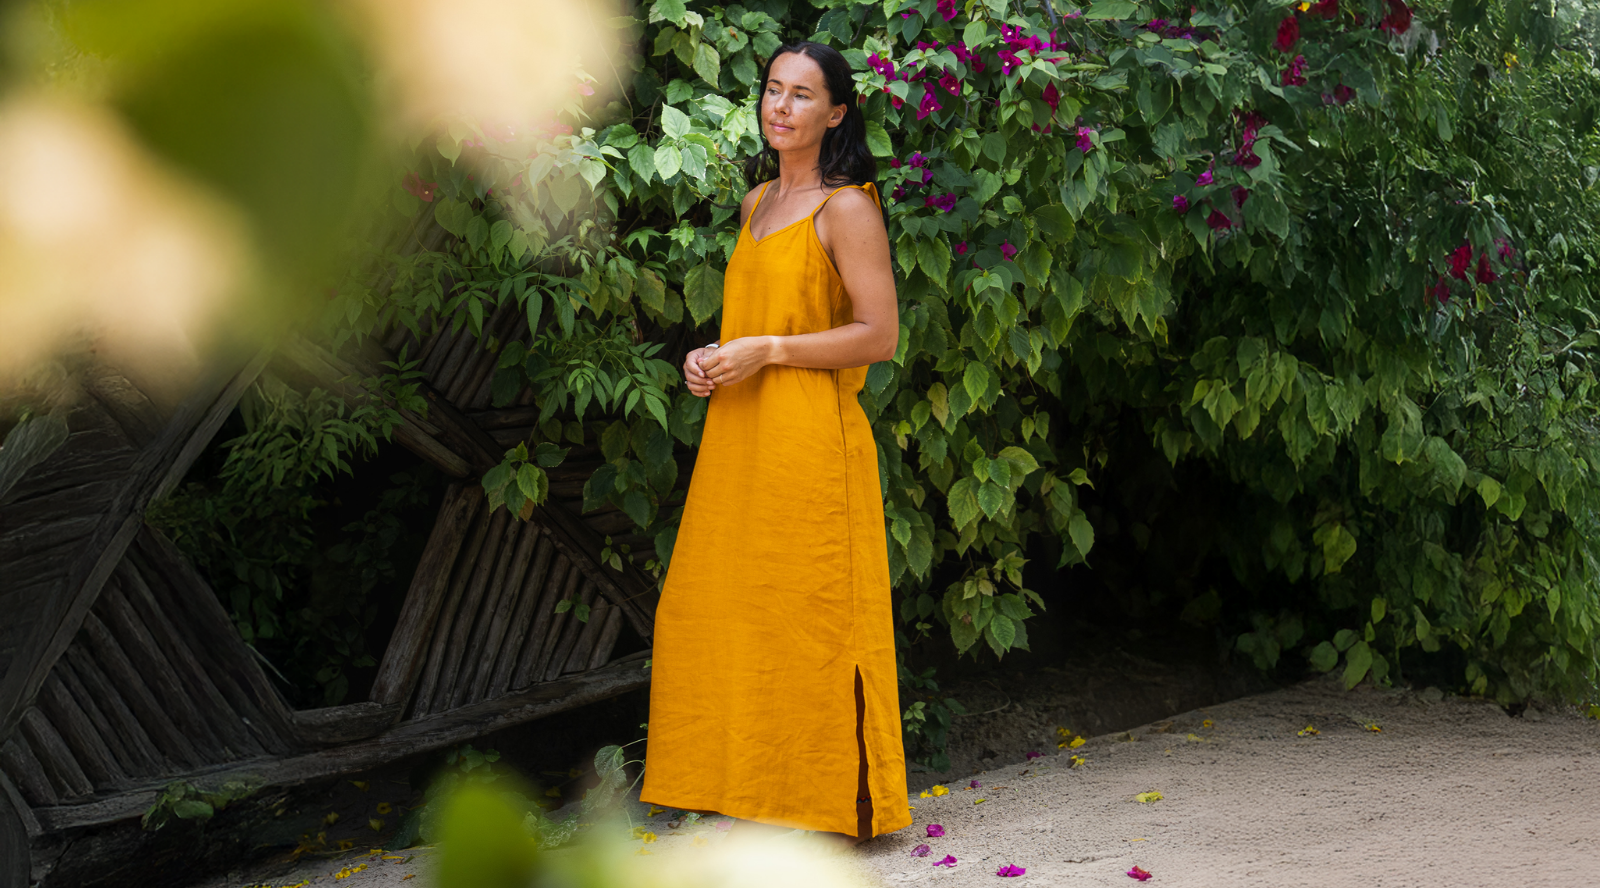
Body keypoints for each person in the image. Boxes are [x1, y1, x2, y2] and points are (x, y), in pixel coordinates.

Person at [636, 41, 911, 846]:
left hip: (812, 444)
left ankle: (836, 800)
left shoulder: (848, 207)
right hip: (741, 433)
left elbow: (879, 335)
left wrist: (770, 351)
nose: (780, 107)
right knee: (724, 608)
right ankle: (750, 789)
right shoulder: (758, 202)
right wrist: (709, 357)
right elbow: (751, 324)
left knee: (813, 620)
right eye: (772, 90)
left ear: (836, 113)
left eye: (802, 95)